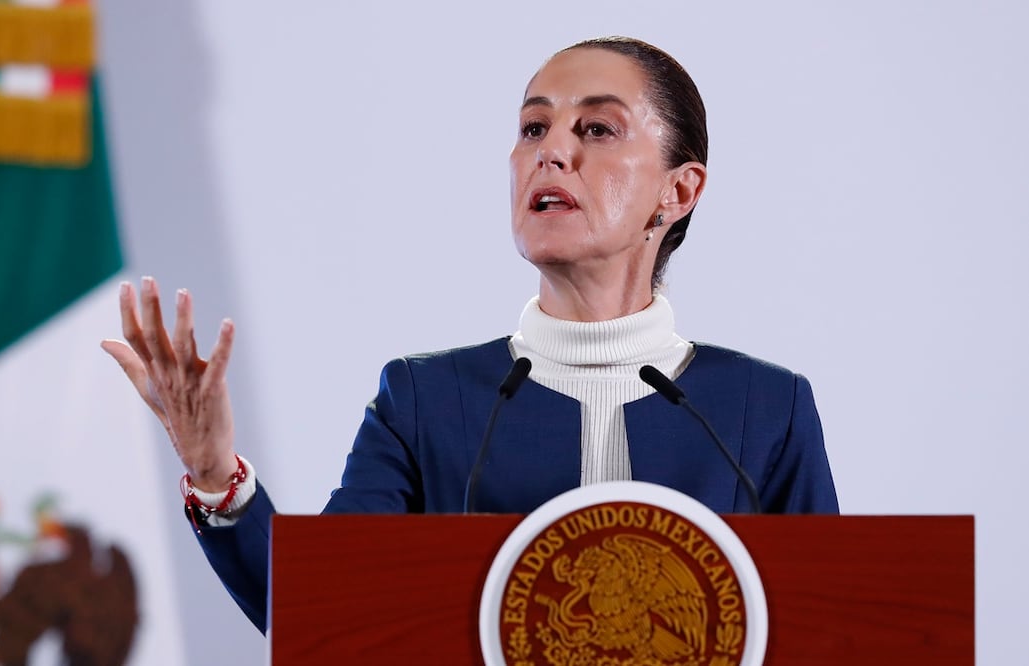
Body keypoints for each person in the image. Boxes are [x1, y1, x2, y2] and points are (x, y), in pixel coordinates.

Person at [102, 36, 838, 634]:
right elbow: (317, 614)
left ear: (677, 191)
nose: (550, 152)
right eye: (532, 128)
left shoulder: (761, 411)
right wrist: (210, 471)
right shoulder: (426, 402)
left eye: (596, 129)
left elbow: (836, 637)